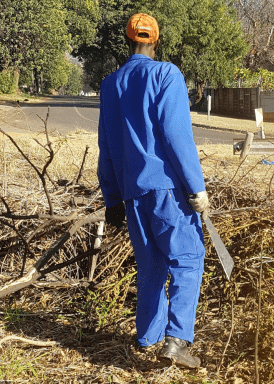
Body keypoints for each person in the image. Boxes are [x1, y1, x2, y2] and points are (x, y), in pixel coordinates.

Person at [97, 12, 209, 369]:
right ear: (155, 41)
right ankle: (177, 341)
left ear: (127, 40)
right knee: (188, 260)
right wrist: (196, 187)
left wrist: (111, 199)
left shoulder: (111, 84)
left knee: (150, 266)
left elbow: (107, 145)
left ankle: (147, 339)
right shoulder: (165, 74)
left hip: (133, 193)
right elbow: (178, 137)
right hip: (168, 192)